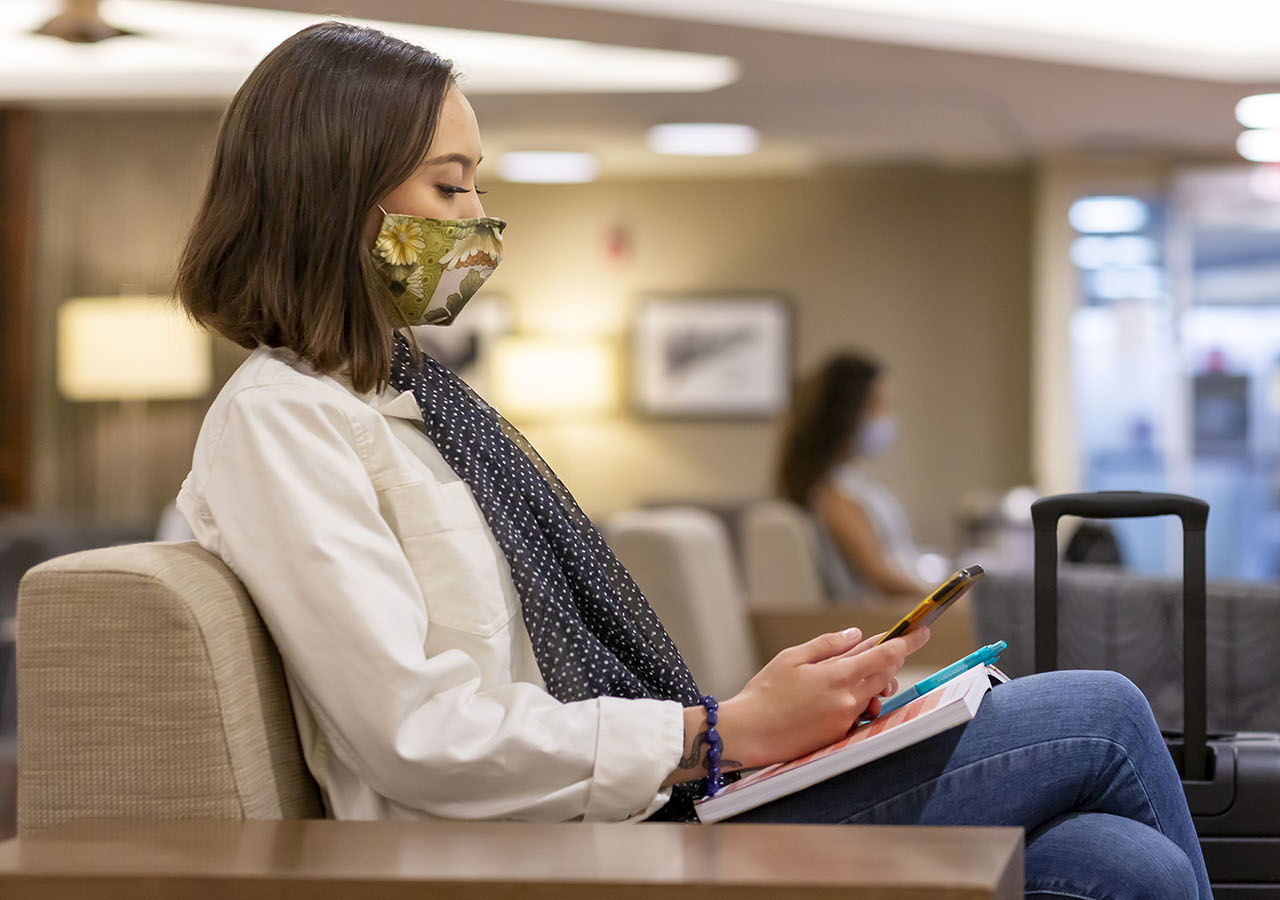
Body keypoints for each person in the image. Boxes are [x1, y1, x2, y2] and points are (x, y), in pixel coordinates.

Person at [173, 22, 1212, 900]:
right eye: (450, 185)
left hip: (616, 804)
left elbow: (533, 677)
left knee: (1112, 863)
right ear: (338, 196)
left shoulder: (411, 399)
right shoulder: (284, 423)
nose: (476, 218)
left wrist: (751, 714)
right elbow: (418, 736)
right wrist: (716, 734)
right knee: (1105, 713)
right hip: (535, 847)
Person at [775, 353, 928, 600]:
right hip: (877, 621)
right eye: (876, 406)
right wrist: (945, 596)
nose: (885, 418)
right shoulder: (835, 495)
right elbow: (880, 576)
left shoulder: (852, 484)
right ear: (846, 414)